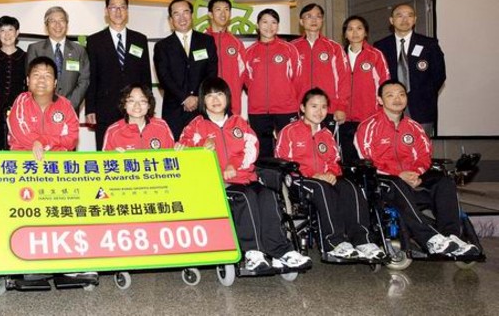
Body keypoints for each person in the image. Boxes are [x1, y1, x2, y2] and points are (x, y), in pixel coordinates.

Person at [176, 77, 312, 272]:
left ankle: (281, 251)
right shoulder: (196, 126)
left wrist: (234, 166)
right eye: (210, 95)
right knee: (245, 197)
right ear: (202, 100)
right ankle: (253, 252)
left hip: (244, 176)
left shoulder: (239, 123)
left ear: (228, 98)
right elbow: (186, 155)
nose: (215, 99)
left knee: (268, 194)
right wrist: (199, 147)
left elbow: (252, 147)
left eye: (220, 94)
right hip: (217, 182)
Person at [355, 80, 478, 256]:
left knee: (444, 181)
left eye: (401, 95)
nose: (397, 99)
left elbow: (424, 155)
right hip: (383, 183)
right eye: (390, 95)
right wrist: (399, 174)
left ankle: (452, 236)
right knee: (397, 182)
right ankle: (430, 239)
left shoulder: (414, 127)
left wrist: (417, 173)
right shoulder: (368, 127)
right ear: (380, 100)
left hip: (412, 179)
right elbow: (368, 159)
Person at [276, 88, 385, 260]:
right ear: (303, 108)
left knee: (350, 187)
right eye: (314, 106)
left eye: (324, 107)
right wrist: (313, 174)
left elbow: (334, 160)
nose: (319, 112)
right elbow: (284, 161)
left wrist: (331, 173)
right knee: (322, 189)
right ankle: (334, 242)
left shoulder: (326, 134)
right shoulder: (289, 131)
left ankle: (363, 240)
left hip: (324, 178)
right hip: (298, 180)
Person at [85, 0, 152, 149]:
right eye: (113, 7)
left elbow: (145, 75)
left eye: (122, 7)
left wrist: (149, 105)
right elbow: (91, 77)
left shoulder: (140, 39)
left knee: (136, 151)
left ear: (127, 11)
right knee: (106, 152)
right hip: (105, 107)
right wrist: (90, 108)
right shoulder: (94, 41)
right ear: (106, 11)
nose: (118, 11)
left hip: (135, 108)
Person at [373, 4, 446, 136]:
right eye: (399, 15)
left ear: (415, 19)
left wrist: (423, 94)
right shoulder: (380, 46)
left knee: (421, 150)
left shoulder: (429, 44)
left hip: (422, 107)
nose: (405, 19)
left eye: (409, 15)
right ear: (391, 20)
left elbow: (439, 75)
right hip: (389, 108)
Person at [154, 0, 218, 140]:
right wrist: (184, 98)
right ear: (171, 19)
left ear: (192, 15)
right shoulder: (162, 46)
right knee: (177, 152)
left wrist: (197, 98)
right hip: (175, 109)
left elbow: (212, 73)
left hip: (202, 107)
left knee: (204, 150)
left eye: (186, 12)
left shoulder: (207, 41)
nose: (182, 18)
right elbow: (164, 77)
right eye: (176, 14)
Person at [243, 9, 300, 159]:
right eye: (265, 22)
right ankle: (266, 181)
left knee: (289, 149)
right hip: (258, 111)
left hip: (286, 109)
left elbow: (297, 78)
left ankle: (290, 180)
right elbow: (247, 81)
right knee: (262, 151)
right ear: (257, 25)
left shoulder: (289, 49)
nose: (269, 26)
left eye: (274, 22)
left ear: (278, 26)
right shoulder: (249, 52)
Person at [290, 3, 351, 131]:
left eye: (318, 16)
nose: (314, 20)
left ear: (322, 20)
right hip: (298, 109)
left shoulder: (335, 48)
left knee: (326, 148)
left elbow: (344, 80)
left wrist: (341, 107)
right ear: (301, 21)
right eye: (309, 16)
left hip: (328, 109)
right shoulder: (291, 48)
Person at [337, 16, 390, 162]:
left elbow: (385, 85)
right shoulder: (338, 55)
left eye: (359, 28)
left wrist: (380, 111)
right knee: (346, 159)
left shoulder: (375, 55)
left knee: (368, 158)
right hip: (343, 117)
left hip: (369, 116)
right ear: (345, 34)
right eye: (350, 29)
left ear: (366, 32)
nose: (355, 33)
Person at [8, 56, 79, 159]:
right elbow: (22, 135)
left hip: (56, 164)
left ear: (55, 83)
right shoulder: (21, 102)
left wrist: (44, 141)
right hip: (23, 163)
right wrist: (54, 144)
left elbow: (72, 139)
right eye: (36, 75)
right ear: (28, 80)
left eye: (47, 76)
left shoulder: (65, 105)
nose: (41, 80)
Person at [26, 6, 90, 112]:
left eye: (61, 20)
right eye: (52, 21)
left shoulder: (79, 50)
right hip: (41, 109)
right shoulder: (35, 49)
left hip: (70, 109)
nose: (57, 25)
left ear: (67, 24)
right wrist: (44, 104)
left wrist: (69, 104)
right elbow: (32, 80)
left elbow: (84, 80)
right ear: (46, 25)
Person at [0, 16, 27, 151]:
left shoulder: (27, 57)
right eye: (3, 30)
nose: (7, 34)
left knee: (19, 151)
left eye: (11, 29)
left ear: (17, 33)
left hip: (21, 114)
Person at [206, 0, 247, 115]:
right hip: (209, 103)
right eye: (218, 9)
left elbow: (244, 74)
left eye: (227, 9)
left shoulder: (236, 43)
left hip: (232, 104)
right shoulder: (201, 41)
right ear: (210, 14)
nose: (223, 13)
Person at [102, 84, 173, 151]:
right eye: (131, 101)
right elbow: (104, 161)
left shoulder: (161, 126)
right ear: (124, 105)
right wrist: (113, 156)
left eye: (142, 101)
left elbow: (173, 157)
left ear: (149, 105)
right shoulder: (113, 132)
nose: (137, 105)